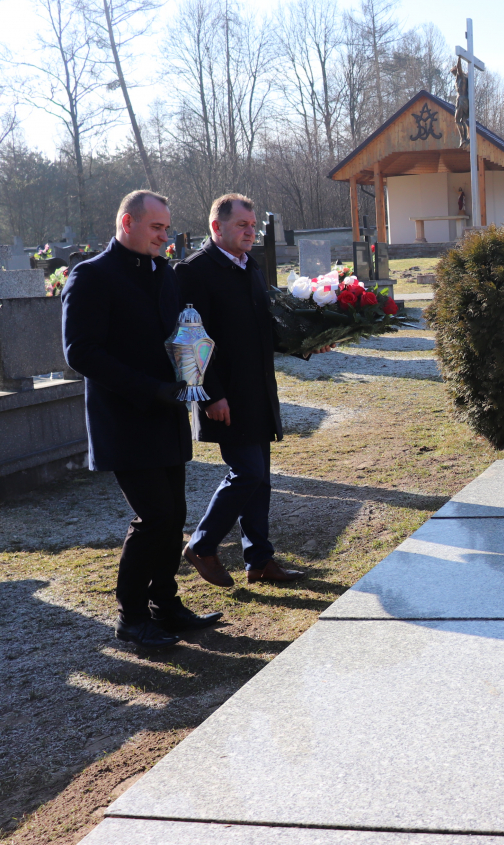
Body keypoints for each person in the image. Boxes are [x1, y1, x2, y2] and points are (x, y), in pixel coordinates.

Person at [62, 190, 223, 649]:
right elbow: (80, 352)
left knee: (174, 516)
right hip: (125, 418)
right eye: (156, 227)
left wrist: (194, 370)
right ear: (127, 222)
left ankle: (164, 605)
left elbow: (177, 336)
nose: (164, 236)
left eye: (167, 228)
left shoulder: (163, 273)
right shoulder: (92, 276)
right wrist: (149, 388)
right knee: (154, 516)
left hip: (167, 414)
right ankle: (130, 617)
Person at [176, 193, 315, 586]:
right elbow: (189, 341)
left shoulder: (251, 267)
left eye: (253, 226)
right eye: (242, 225)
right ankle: (202, 545)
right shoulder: (193, 271)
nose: (251, 232)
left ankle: (259, 561)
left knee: (260, 478)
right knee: (248, 472)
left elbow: (266, 328)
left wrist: (308, 343)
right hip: (225, 396)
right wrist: (210, 395)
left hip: (258, 392)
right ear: (216, 227)